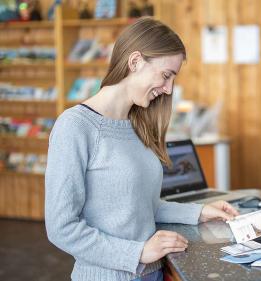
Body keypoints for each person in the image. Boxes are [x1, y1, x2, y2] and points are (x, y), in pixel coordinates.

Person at [45, 18, 238, 281]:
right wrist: (137, 252)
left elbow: (143, 207)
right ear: (135, 61)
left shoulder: (138, 125)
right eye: (166, 75)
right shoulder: (75, 127)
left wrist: (201, 212)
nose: (168, 89)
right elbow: (62, 228)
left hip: (152, 273)